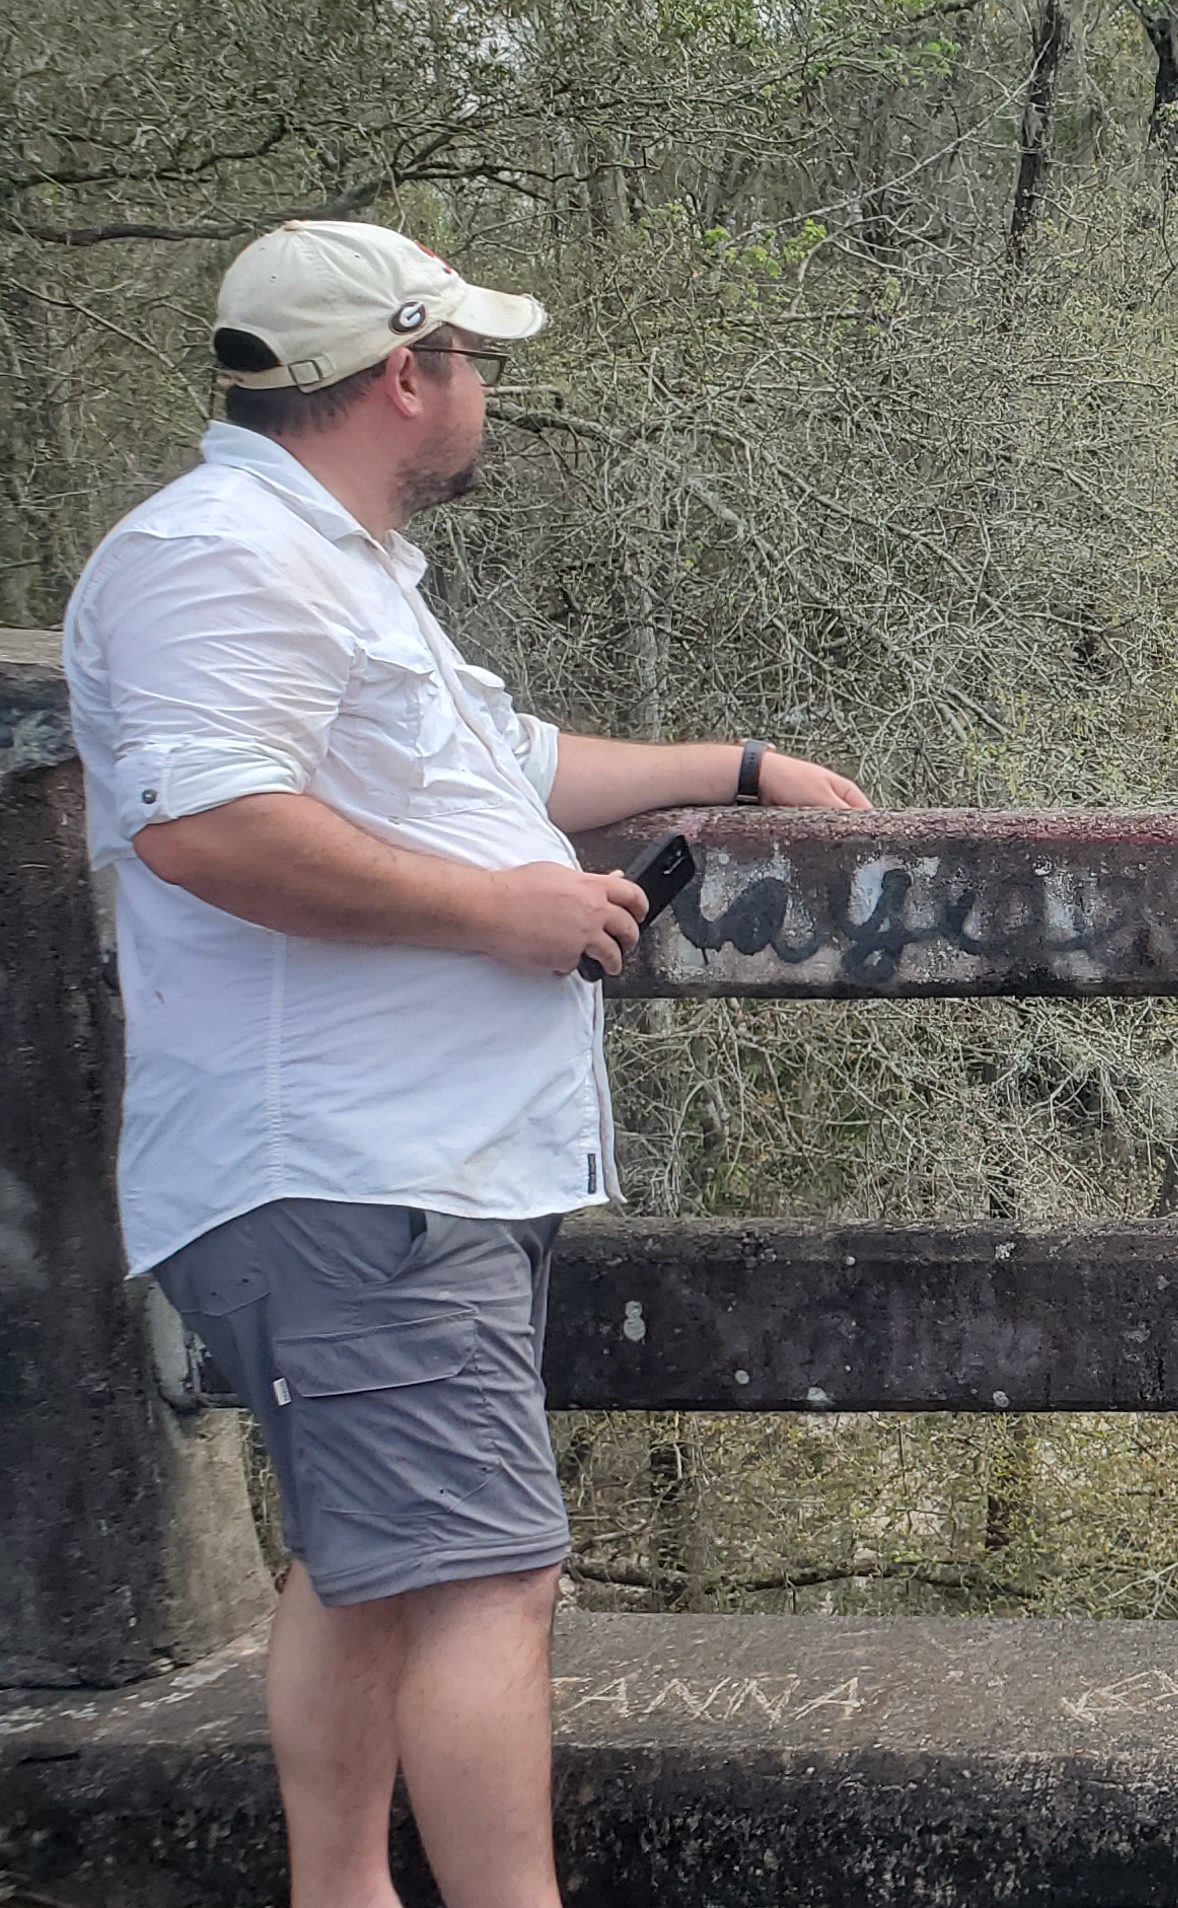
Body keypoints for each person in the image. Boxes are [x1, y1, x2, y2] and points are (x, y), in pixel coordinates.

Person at [59, 220, 871, 1908]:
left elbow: (502, 765)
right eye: (476, 361)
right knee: (488, 1580)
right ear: (407, 375)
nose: (489, 391)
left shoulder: (332, 565)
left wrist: (736, 761)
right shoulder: (215, 555)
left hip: (406, 1166)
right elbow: (208, 830)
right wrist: (491, 918)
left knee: (372, 1568)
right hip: (356, 1169)